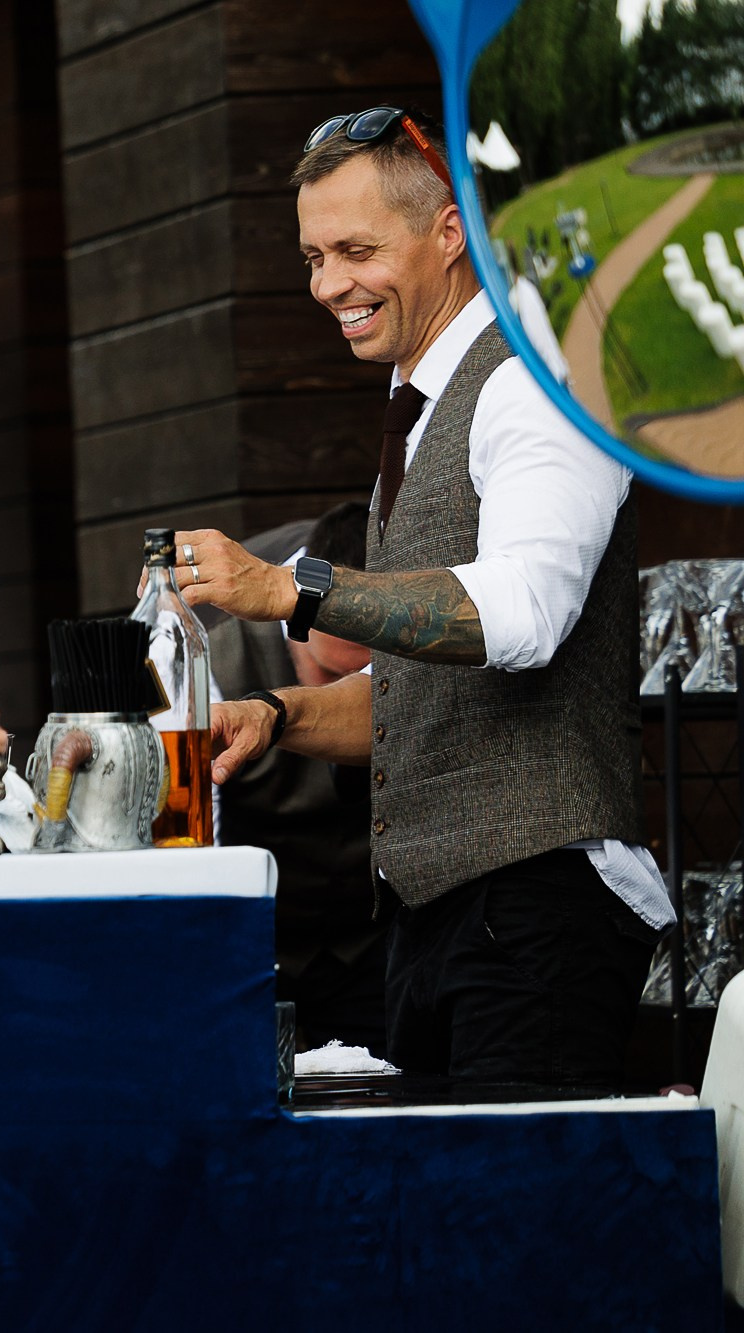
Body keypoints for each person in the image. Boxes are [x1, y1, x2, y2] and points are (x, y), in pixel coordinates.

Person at [171, 108, 666, 1086]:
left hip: (536, 913)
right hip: (437, 923)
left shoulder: (531, 384)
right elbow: (424, 698)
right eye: (312, 257)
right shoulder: (420, 405)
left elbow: (518, 616)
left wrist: (287, 590)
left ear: (450, 231)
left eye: (355, 250)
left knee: (509, 1234)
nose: (327, 287)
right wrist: (274, 719)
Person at [204, 503, 382, 1052]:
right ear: (291, 622)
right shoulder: (204, 634)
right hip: (246, 943)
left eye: (369, 678)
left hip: (374, 943)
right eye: (330, 673)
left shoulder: (424, 601)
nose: (347, 697)